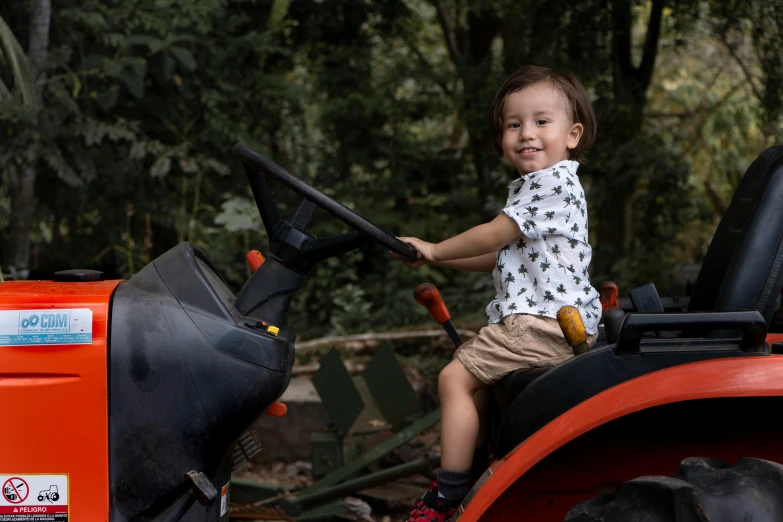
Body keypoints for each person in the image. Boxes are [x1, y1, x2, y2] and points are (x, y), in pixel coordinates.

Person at [393, 65, 602, 522]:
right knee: (476, 381)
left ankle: (448, 492)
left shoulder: (552, 185)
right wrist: (436, 258)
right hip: (550, 321)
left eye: (541, 121)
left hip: (544, 322)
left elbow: (492, 236)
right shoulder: (543, 188)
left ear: (573, 134)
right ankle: (480, 463)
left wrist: (433, 247)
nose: (526, 133)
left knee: (453, 379)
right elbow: (499, 255)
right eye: (514, 123)